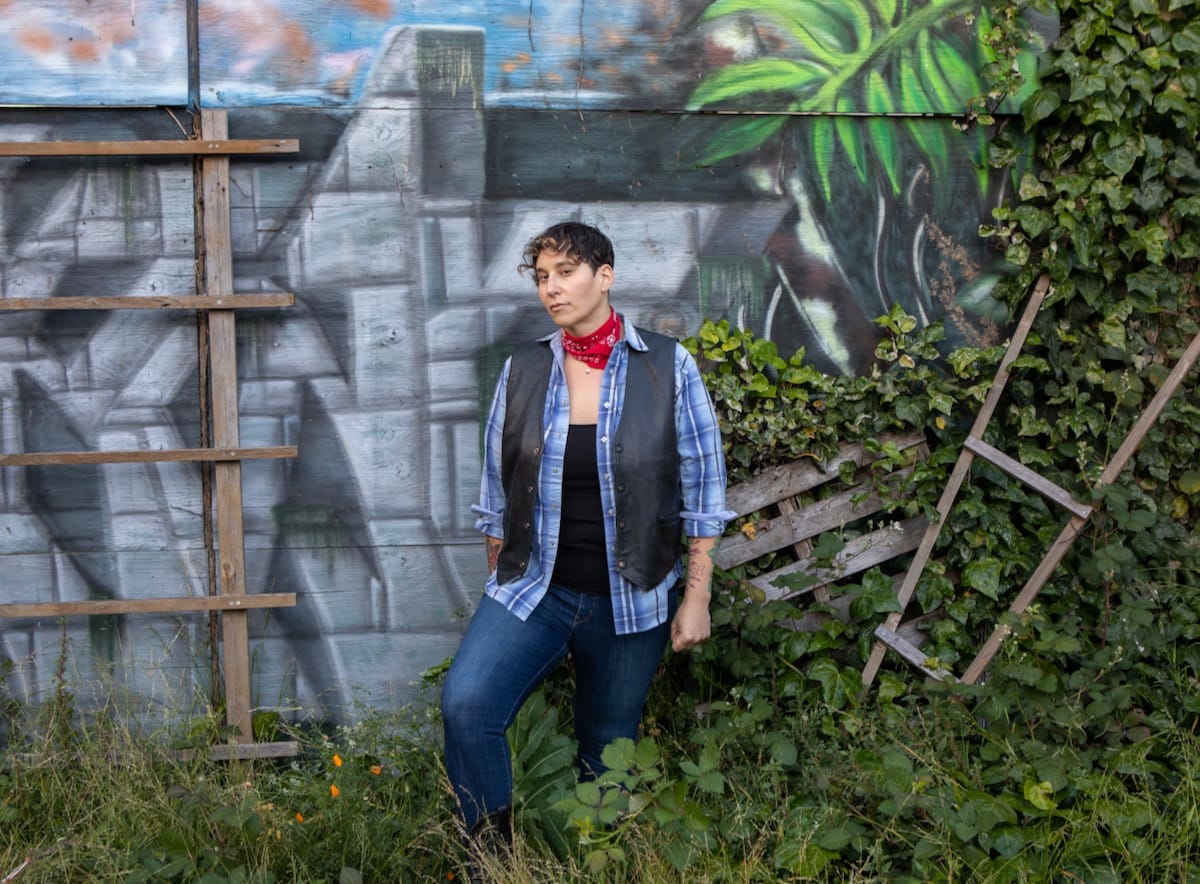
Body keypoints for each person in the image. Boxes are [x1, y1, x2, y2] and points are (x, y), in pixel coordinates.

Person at [440, 221, 733, 860]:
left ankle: (593, 862)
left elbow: (704, 492)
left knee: (607, 749)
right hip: (536, 591)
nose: (552, 288)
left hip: (631, 599)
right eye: (542, 277)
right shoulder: (523, 369)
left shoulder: (668, 365)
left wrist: (697, 597)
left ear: (605, 276)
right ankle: (492, 865)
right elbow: (495, 494)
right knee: (467, 706)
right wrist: (500, 574)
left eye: (566, 273)